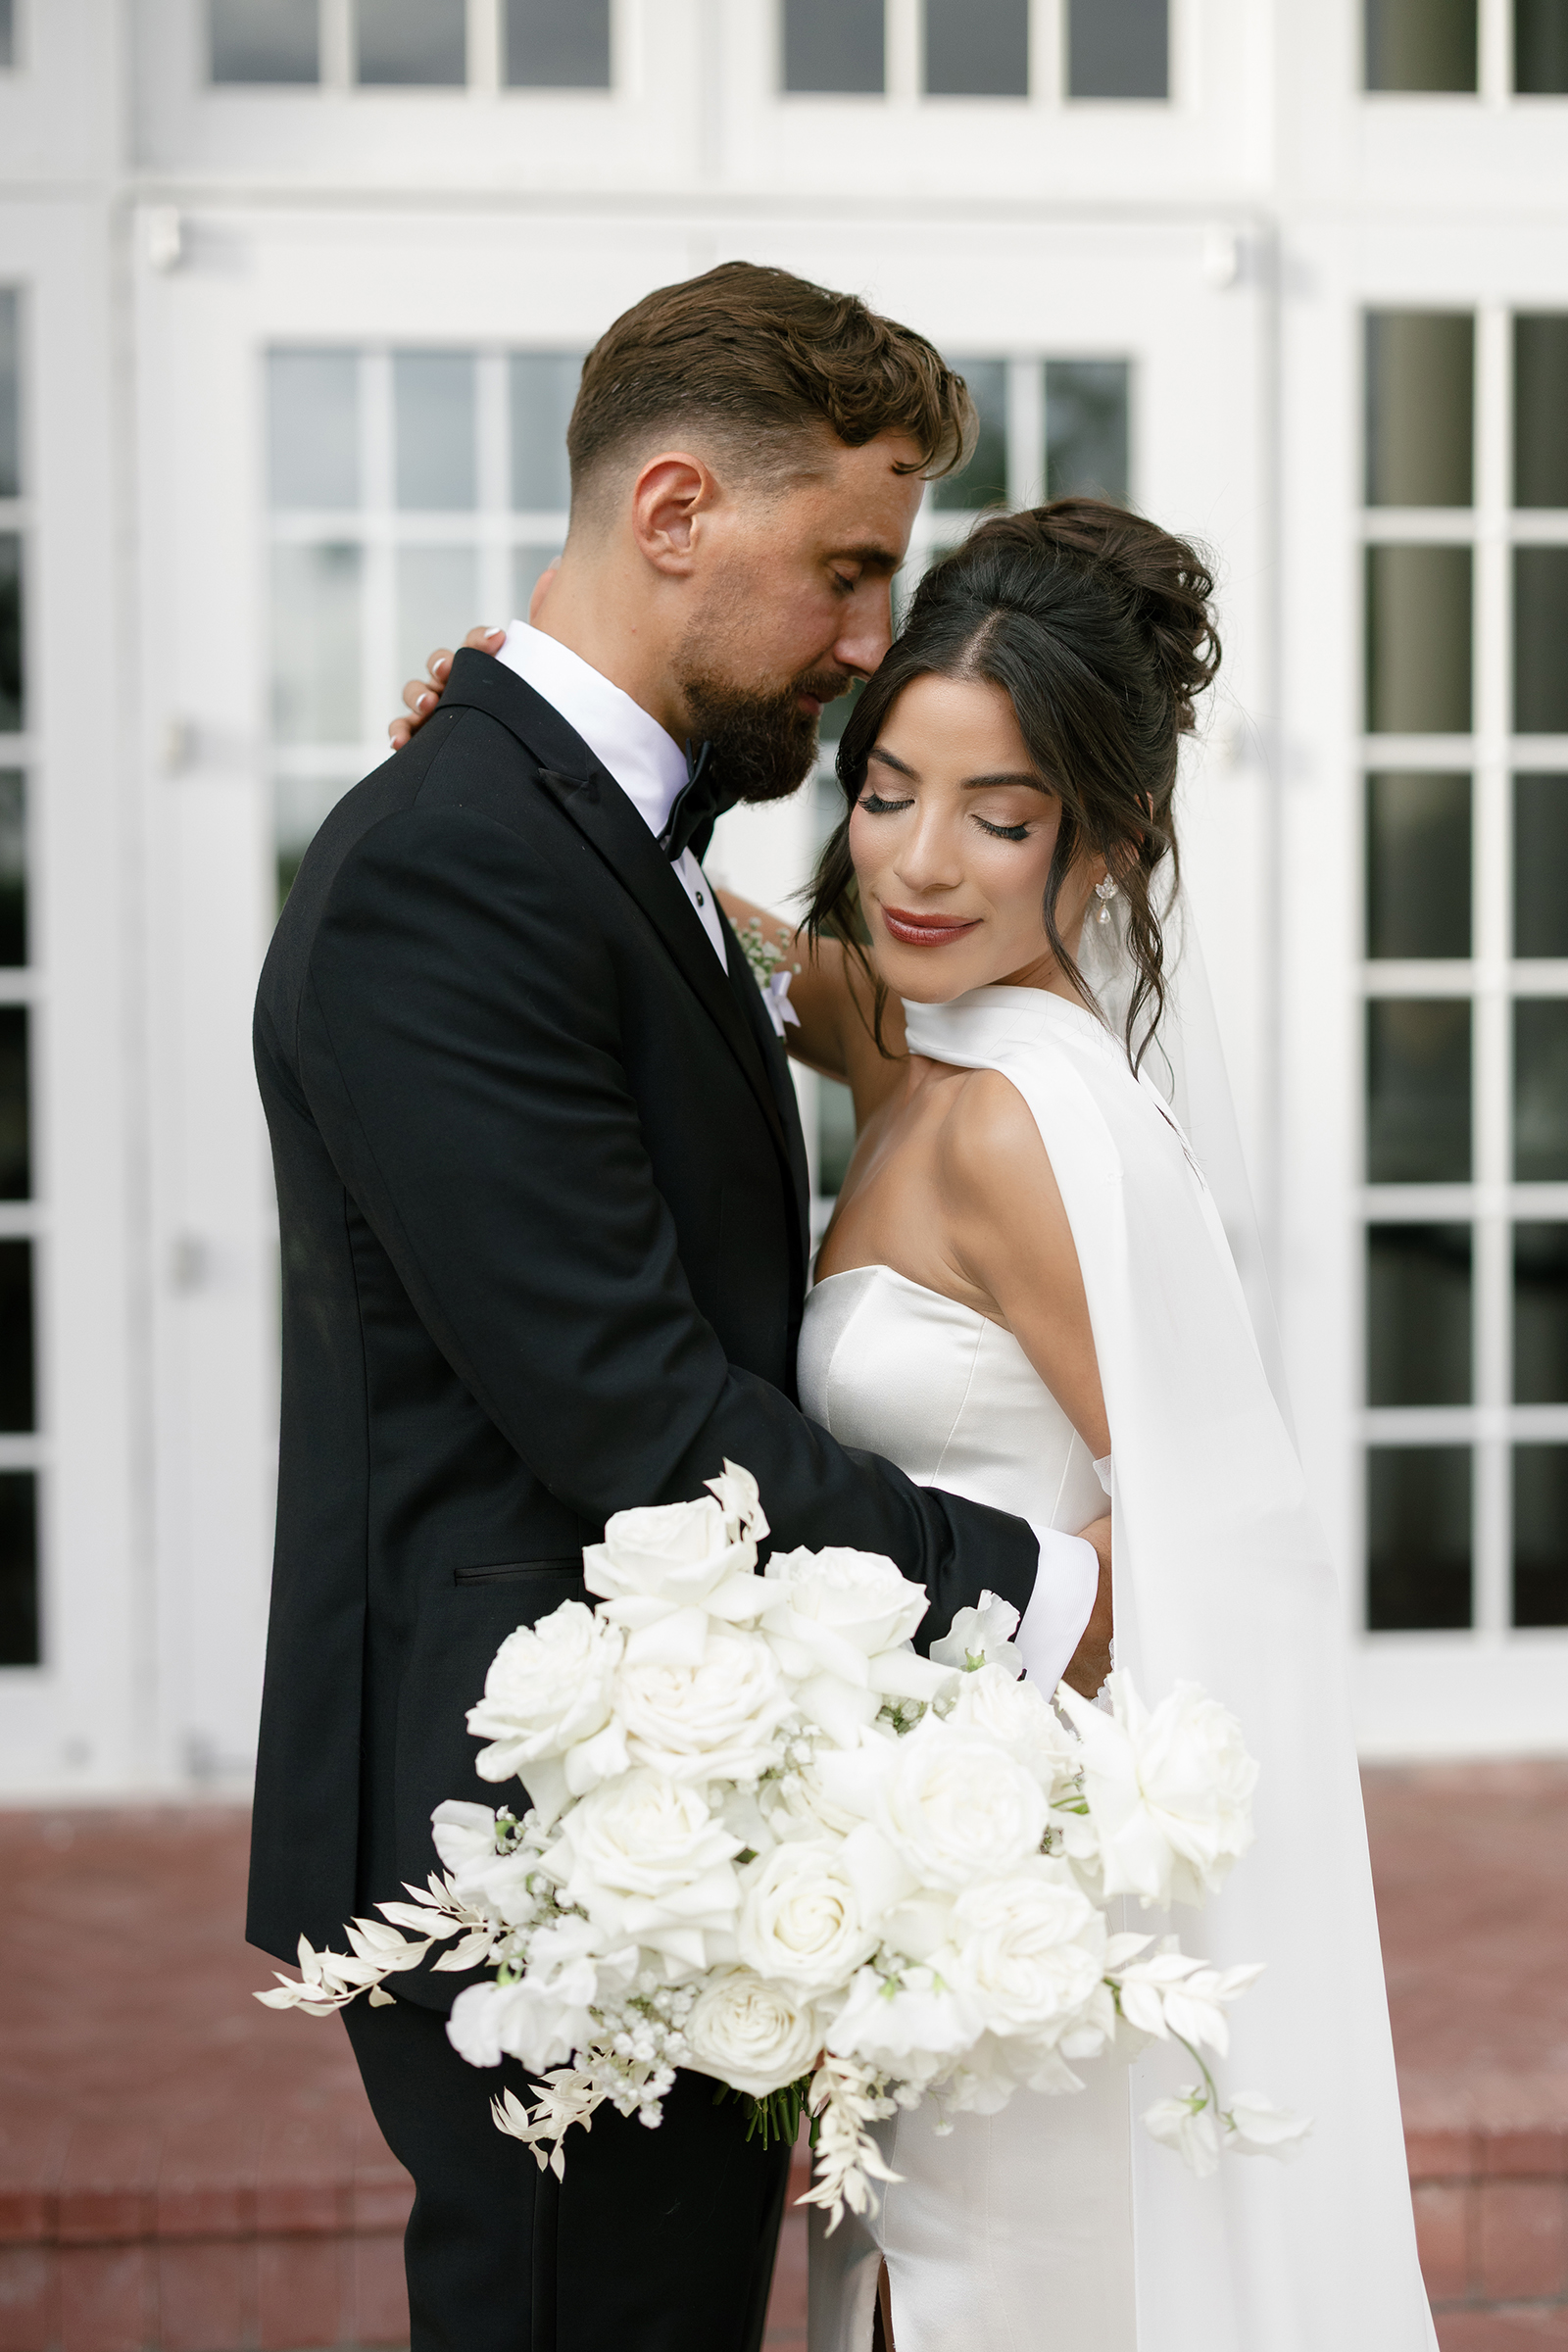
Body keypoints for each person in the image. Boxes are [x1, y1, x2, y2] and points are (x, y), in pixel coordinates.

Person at [248, 263, 1111, 2352]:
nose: (854, 639)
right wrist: (1049, 1597)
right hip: (540, 1859)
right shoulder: (456, 868)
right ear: (667, 514)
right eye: (838, 570)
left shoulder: (580, 833)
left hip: (685, 1820)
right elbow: (637, 1414)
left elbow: (728, 998)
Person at [712, 500, 1439, 2350]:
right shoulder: (930, 1035)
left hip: (1009, 1898)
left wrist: (940, 1794)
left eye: (1001, 815)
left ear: (1103, 846)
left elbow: (1207, 1537)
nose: (921, 865)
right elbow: (806, 979)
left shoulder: (1037, 1124)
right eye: (887, 793)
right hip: (920, 1880)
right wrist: (558, 791)